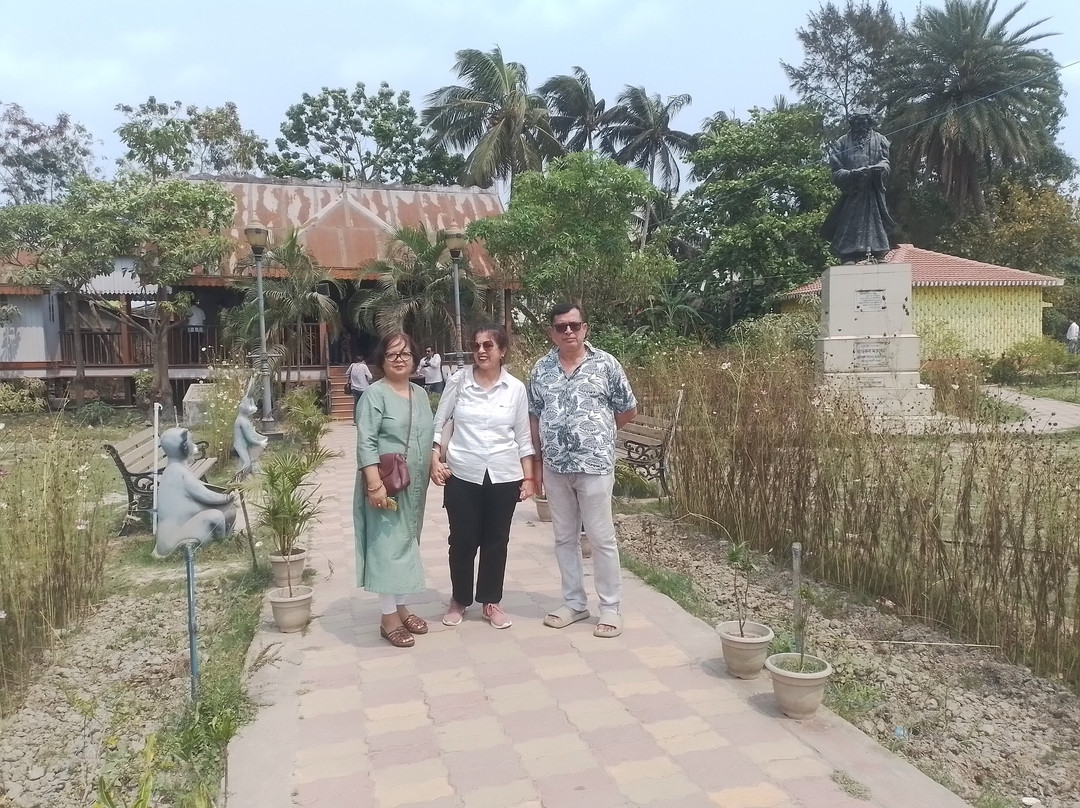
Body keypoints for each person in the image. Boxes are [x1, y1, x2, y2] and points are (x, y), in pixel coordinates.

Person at [528, 303, 637, 638]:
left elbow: (627, 409)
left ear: (585, 328)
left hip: (595, 466)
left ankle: (610, 608)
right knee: (564, 538)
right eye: (561, 327)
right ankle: (574, 603)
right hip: (556, 467)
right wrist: (537, 461)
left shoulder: (606, 364)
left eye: (574, 325)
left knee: (602, 538)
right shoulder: (541, 369)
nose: (568, 332)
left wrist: (597, 435)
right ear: (551, 332)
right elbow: (535, 415)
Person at [430, 324, 535, 630]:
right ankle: (459, 599)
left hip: (503, 475)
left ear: (502, 351)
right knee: (462, 540)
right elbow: (440, 422)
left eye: (488, 346)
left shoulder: (515, 388)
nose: (481, 351)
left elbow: (523, 436)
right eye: (476, 346)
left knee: (496, 541)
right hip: (462, 472)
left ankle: (491, 601)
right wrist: (434, 458)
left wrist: (528, 478)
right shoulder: (459, 382)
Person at [353, 333, 435, 648]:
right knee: (388, 547)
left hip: (414, 486)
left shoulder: (420, 393)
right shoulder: (375, 395)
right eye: (391, 354)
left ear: (415, 358)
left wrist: (434, 464)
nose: (399, 359)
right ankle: (388, 618)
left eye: (405, 353)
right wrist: (373, 485)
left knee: (406, 544)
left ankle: (400, 608)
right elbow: (366, 441)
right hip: (385, 483)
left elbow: (425, 436)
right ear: (382, 360)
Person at [820, 108, 898, 264]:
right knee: (850, 223)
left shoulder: (880, 139)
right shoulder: (842, 143)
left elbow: (886, 162)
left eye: (864, 123)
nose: (861, 126)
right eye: (857, 123)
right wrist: (853, 174)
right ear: (852, 124)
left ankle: (878, 252)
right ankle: (849, 255)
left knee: (875, 222)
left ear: (869, 123)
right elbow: (836, 172)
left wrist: (880, 169)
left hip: (872, 191)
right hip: (852, 193)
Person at [346, 355, 373, 424]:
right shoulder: (364, 366)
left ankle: (355, 420)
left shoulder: (352, 365)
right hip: (363, 388)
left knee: (356, 404)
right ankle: (363, 419)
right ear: (362, 360)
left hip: (354, 387)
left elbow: (347, 373)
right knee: (364, 404)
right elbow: (370, 377)